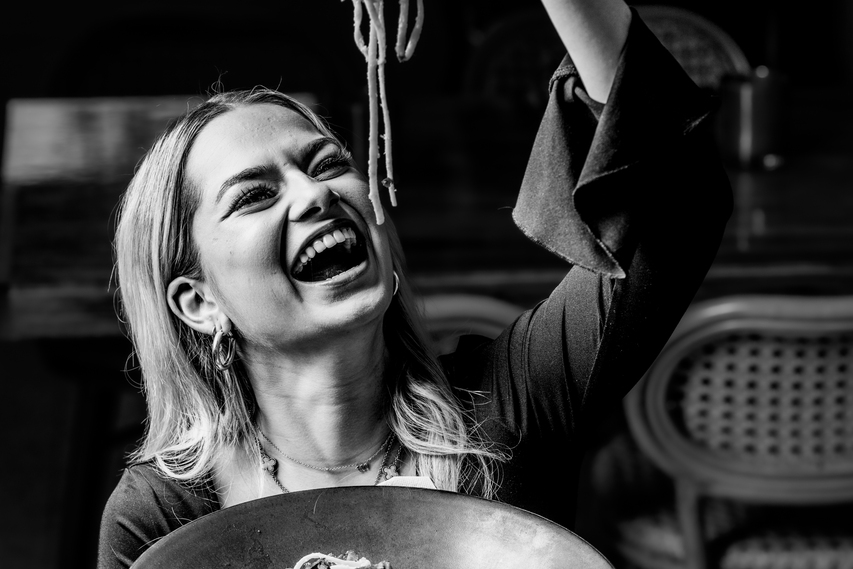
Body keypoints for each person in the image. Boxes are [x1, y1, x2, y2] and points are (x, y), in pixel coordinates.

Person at [98, 0, 732, 567]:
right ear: (198, 302)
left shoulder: (509, 404)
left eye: (328, 164)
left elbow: (677, 200)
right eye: (255, 196)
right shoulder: (161, 516)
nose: (316, 193)